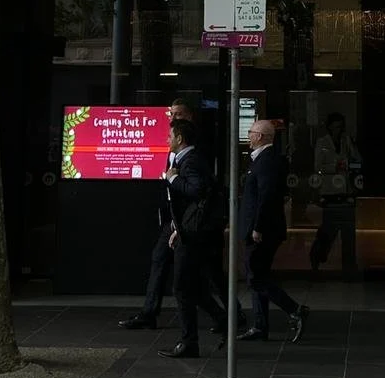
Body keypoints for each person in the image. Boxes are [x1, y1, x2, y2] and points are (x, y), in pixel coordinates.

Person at [120, 97, 239, 335]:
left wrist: (173, 180)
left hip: (191, 223)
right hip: (178, 220)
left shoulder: (195, 150)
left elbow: (196, 189)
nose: (172, 119)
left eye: (178, 115)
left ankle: (227, 317)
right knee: (165, 262)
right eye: (171, 114)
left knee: (201, 276)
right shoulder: (177, 150)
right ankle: (151, 313)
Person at [159, 109, 230, 359]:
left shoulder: (190, 162)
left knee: (181, 287)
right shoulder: (187, 160)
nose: (167, 140)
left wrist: (173, 179)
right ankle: (223, 319)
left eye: (170, 135)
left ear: (180, 137)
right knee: (195, 285)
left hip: (194, 235)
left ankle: (189, 341)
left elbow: (196, 191)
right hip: (189, 230)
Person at [240, 119, 308, 343]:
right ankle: (260, 325)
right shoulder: (260, 160)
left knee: (255, 276)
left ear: (261, 136)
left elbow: (266, 196)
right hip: (260, 228)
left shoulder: (267, 161)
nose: (248, 136)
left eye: (251, 132)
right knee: (258, 274)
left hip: (262, 230)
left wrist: (258, 227)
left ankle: (295, 309)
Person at [309, 111, 360, 273]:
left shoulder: (345, 141)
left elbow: (357, 160)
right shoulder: (322, 142)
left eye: (341, 126)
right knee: (329, 229)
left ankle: (349, 265)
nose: (339, 129)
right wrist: (334, 167)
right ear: (330, 126)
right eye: (336, 126)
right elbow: (317, 167)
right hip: (330, 190)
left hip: (345, 190)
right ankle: (317, 255)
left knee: (347, 230)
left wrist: (350, 144)